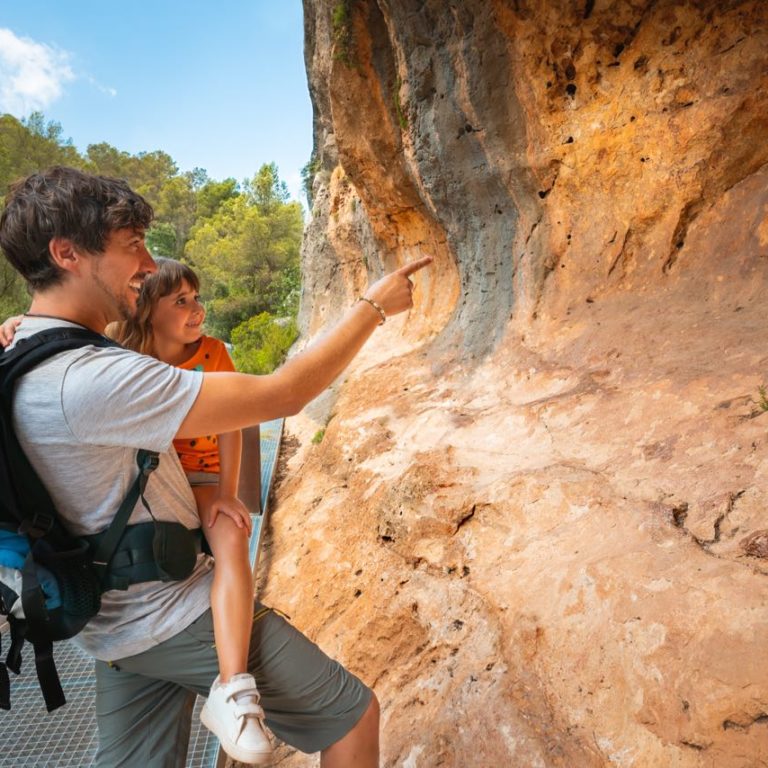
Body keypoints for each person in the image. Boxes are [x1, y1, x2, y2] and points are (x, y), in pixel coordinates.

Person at [0, 166, 431, 768]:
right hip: (171, 610)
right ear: (67, 253)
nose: (148, 264)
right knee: (351, 716)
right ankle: (233, 689)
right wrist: (371, 309)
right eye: (132, 248)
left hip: (108, 621)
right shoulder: (92, 379)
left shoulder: (22, 351)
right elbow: (282, 395)